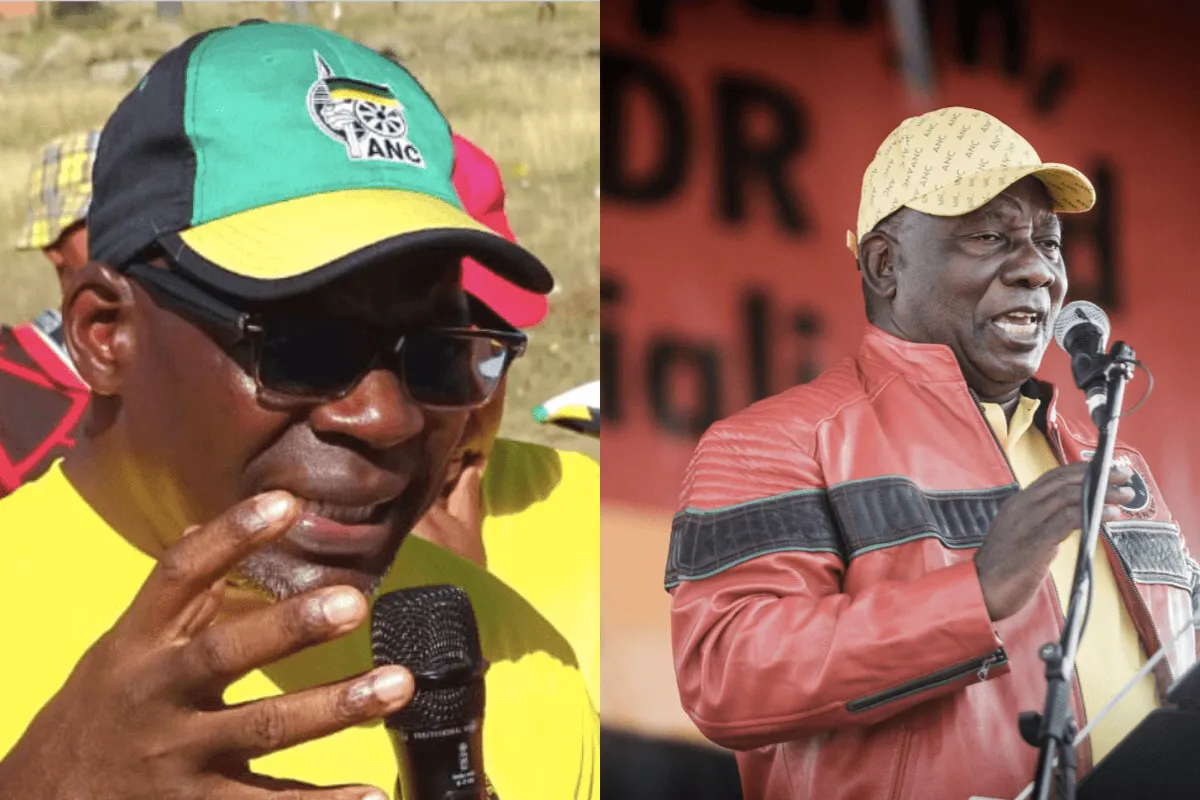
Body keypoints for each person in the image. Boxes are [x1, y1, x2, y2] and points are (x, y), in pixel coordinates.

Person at [0, 20, 595, 800]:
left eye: (440, 353)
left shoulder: (524, 664)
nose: (389, 419)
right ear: (105, 334)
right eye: (303, 347)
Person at [667, 106, 1200, 800]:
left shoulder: (1112, 463)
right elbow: (726, 676)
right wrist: (974, 595)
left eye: (1048, 242)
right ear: (886, 265)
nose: (1037, 270)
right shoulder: (778, 441)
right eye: (990, 236)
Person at [0, 130, 97, 496]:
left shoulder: (189, 354)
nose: (127, 231)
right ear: (52, 245)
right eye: (98, 214)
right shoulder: (10, 380)